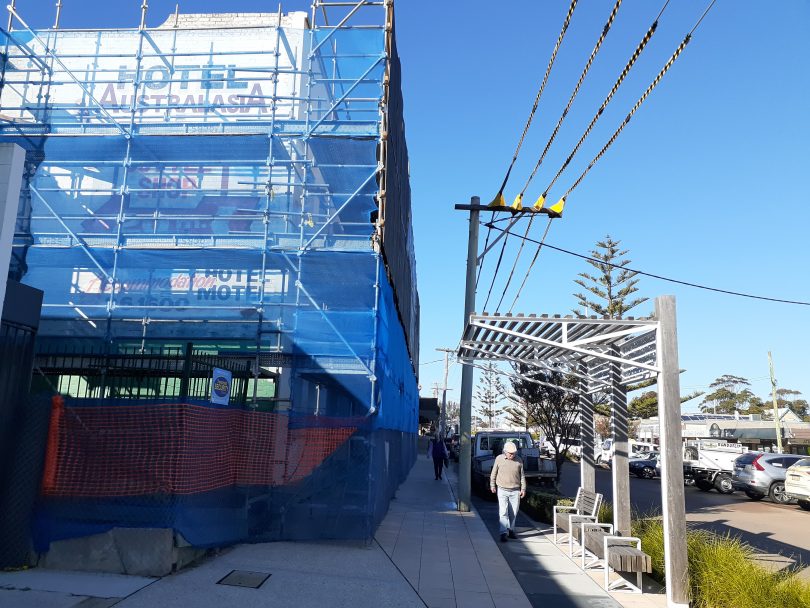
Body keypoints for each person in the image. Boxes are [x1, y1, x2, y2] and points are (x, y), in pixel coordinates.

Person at [489, 441, 526, 542]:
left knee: (513, 512)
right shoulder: (499, 459)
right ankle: (503, 533)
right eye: (510, 453)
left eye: (513, 453)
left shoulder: (519, 460)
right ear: (505, 452)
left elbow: (522, 476)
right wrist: (492, 485)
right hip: (502, 489)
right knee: (503, 512)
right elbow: (494, 473)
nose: (512, 455)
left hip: (515, 490)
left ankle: (511, 530)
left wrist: (523, 489)